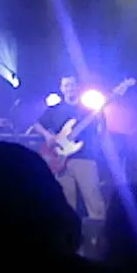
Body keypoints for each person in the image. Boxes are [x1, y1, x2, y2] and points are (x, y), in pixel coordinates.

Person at [33, 75, 106, 219]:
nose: (69, 88)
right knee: (65, 204)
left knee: (94, 201)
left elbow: (101, 131)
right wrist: (48, 136)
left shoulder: (88, 110)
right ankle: (68, 231)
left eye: (72, 85)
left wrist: (101, 119)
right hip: (60, 160)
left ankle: (98, 231)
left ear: (78, 87)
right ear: (61, 88)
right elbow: (37, 124)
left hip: (85, 158)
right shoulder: (55, 109)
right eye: (66, 85)